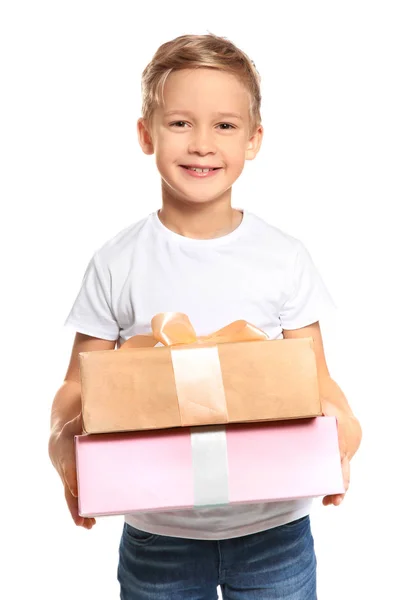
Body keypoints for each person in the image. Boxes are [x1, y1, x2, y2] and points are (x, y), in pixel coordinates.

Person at [48, 33, 362, 599]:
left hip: (275, 530)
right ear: (146, 135)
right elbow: (78, 384)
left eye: (224, 125)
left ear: (254, 138)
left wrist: (345, 435)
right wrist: (63, 446)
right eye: (179, 123)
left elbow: (316, 377)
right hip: (157, 533)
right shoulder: (118, 262)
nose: (201, 145)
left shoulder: (283, 257)